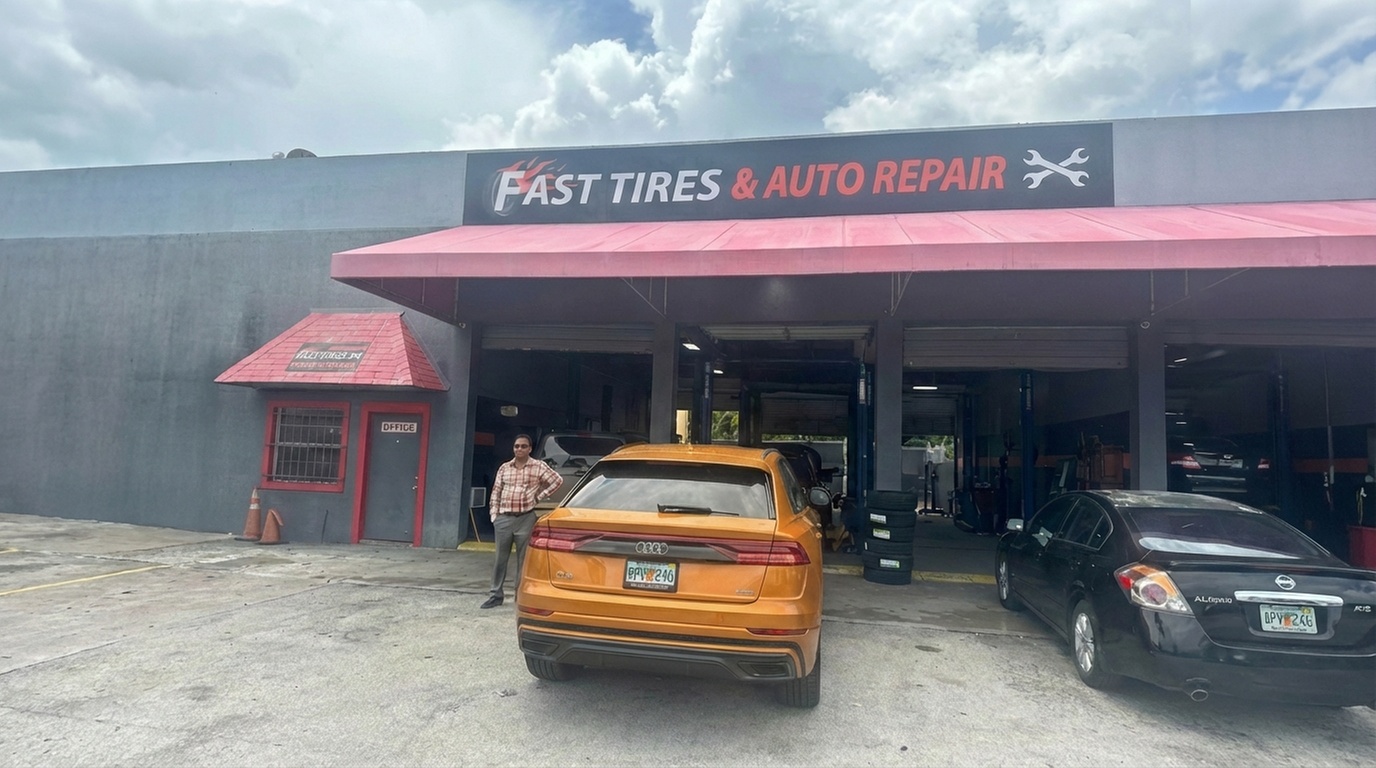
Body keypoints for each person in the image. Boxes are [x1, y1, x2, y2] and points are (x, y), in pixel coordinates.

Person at [481, 434, 562, 609]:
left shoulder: (538, 466)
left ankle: (520, 597)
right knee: (499, 560)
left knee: (523, 560)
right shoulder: (505, 468)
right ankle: (495, 595)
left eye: (523, 446)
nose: (519, 449)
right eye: (517, 446)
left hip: (526, 518)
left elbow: (557, 481)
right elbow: (496, 492)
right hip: (504, 518)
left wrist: (538, 497)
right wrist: (494, 516)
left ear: (530, 449)